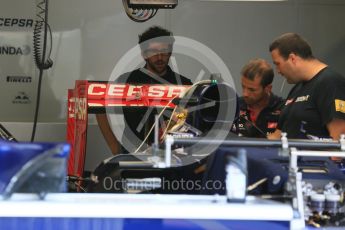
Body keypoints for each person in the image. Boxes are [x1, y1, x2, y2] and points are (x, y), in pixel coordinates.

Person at [96, 26, 192, 155]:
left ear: (170, 52)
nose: (159, 57)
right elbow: (98, 107)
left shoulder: (184, 84)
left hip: (172, 155)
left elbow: (192, 119)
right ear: (144, 54)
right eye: (153, 51)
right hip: (132, 153)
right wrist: (114, 147)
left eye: (164, 51)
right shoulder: (127, 80)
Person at [268, 33, 345, 140]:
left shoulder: (331, 83)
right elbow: (277, 135)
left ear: (292, 59)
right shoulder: (297, 88)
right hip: (287, 156)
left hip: (314, 156)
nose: (278, 71)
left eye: (277, 64)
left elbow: (339, 136)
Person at [232, 58, 284, 137]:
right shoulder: (235, 106)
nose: (245, 94)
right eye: (243, 87)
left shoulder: (283, 109)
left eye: (251, 90)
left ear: (268, 89)